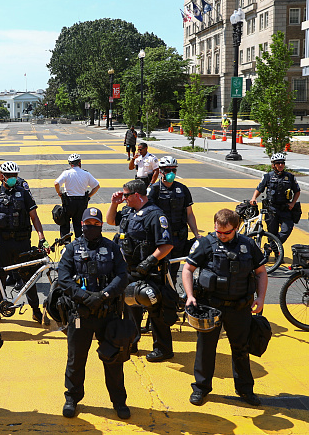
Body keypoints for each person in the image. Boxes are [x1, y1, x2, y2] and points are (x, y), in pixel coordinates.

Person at [181, 208, 268, 407]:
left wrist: (261, 298)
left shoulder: (248, 245)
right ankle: (201, 389)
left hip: (240, 307)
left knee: (241, 349)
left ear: (236, 228)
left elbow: (261, 272)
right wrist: (190, 296)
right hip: (210, 307)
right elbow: (188, 268)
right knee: (206, 349)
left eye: (226, 232)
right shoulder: (205, 243)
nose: (222, 236)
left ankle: (245, 390)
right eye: (218, 231)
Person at [58, 207, 130, 420]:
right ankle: (72, 397)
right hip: (81, 315)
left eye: (96, 224)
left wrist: (105, 295)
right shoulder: (71, 248)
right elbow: (64, 278)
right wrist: (84, 296)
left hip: (108, 314)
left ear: (101, 225)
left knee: (114, 359)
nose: (92, 227)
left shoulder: (112, 247)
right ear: (82, 225)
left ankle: (119, 401)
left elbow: (122, 275)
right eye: (88, 224)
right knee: (76, 359)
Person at [107, 179, 174, 362]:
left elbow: (166, 245)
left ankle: (163, 348)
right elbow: (111, 220)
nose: (124, 199)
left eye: (126, 195)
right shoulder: (129, 212)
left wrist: (149, 262)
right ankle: (132, 342)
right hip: (129, 269)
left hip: (149, 271)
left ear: (137, 195)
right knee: (130, 308)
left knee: (155, 311)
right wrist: (114, 203)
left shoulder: (155, 215)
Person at [0, 161, 49, 323]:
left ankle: (35, 310)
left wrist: (42, 238)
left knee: (29, 278)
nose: (13, 178)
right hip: (2, 244)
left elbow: (34, 217)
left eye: (15, 175)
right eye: (10, 175)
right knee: (0, 278)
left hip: (22, 243)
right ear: (2, 176)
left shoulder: (24, 193)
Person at [148, 156, 201, 284]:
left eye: (173, 170)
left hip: (179, 238)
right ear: (161, 171)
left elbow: (189, 214)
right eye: (167, 170)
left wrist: (196, 234)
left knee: (174, 269)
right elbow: (148, 214)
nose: (171, 173)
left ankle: (171, 296)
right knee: (160, 270)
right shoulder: (154, 190)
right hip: (161, 238)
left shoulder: (183, 189)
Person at [250, 153, 300, 245]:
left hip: (285, 208)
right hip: (271, 209)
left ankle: (271, 247)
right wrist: (254, 198)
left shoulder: (290, 177)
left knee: (287, 229)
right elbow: (259, 189)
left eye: (282, 163)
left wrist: (293, 203)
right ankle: (276, 253)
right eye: (278, 163)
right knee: (272, 233)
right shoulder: (268, 176)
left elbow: (297, 191)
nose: (281, 165)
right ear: (273, 165)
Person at [54, 154, 100, 239]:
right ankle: (80, 244)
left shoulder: (66, 173)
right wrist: (89, 195)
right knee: (79, 225)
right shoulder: (86, 174)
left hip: (69, 202)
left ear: (70, 164)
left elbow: (56, 183)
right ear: (79, 163)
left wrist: (59, 193)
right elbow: (96, 186)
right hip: (81, 202)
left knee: (65, 223)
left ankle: (66, 244)